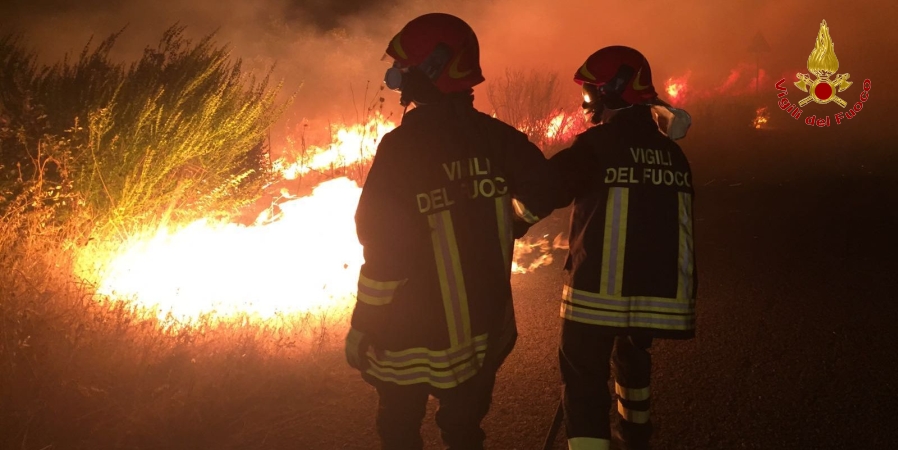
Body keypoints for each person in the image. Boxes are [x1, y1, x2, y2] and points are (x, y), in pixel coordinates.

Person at [345, 13, 557, 450]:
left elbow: (383, 245)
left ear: (434, 68)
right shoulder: (499, 139)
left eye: (404, 68)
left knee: (400, 432)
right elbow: (546, 189)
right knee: (465, 434)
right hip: (482, 332)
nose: (396, 79)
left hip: (407, 337)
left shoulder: (401, 149)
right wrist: (512, 222)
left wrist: (364, 322)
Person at [549, 46, 696, 450]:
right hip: (654, 294)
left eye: (591, 92)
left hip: (598, 293)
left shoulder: (597, 145)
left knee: (582, 379)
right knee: (632, 363)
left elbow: (549, 188)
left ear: (615, 90)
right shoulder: (672, 153)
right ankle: (634, 437)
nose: (587, 102)